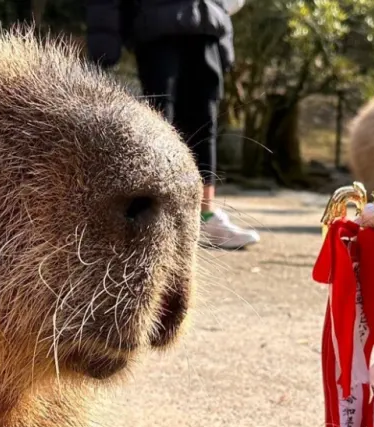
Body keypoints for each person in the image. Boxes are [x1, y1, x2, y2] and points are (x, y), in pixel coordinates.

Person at [85, 0, 260, 250]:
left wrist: (224, 39)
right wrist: (104, 44)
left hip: (206, 24)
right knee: (161, 124)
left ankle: (205, 215)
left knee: (204, 125)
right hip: (156, 25)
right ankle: (157, 217)